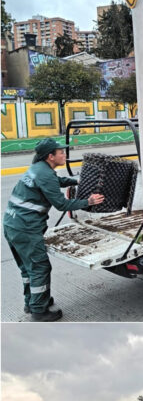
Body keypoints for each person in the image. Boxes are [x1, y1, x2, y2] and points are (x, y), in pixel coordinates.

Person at [3, 137, 104, 321]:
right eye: (61, 152)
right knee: (40, 267)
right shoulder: (44, 174)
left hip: (12, 225)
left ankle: (32, 302)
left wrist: (75, 182)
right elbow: (61, 204)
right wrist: (88, 201)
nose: (64, 154)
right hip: (25, 229)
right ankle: (39, 311)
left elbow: (56, 180)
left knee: (28, 268)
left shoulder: (39, 168)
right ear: (51, 156)